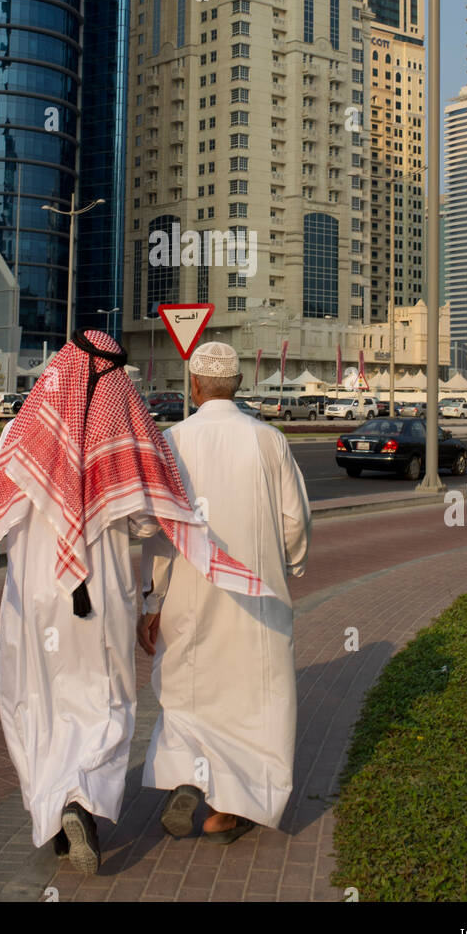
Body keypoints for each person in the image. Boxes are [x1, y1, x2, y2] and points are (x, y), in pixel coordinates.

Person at [0, 330, 268, 875]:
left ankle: (59, 804)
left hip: (36, 593)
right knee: (103, 699)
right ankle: (83, 800)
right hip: (100, 592)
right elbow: (150, 519)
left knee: (36, 697)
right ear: (113, 379)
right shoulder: (124, 437)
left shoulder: (21, 428)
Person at [138, 341, 312, 844]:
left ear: (193, 385)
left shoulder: (170, 441)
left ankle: (188, 777)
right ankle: (224, 811)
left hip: (190, 592)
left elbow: (161, 534)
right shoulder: (267, 439)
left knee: (188, 692)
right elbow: (294, 520)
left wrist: (152, 601)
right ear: (238, 386)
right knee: (255, 699)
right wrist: (291, 566)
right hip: (257, 596)